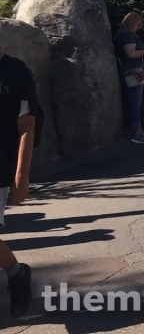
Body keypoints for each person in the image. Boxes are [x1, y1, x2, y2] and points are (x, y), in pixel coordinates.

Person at [0, 44, 38, 317]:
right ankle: (16, 272)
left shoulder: (17, 72)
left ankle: (17, 274)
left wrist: (21, 176)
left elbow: (27, 126)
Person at [113, 12, 144, 145]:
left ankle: (137, 130)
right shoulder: (127, 35)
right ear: (132, 21)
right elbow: (131, 53)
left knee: (135, 101)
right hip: (132, 74)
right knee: (135, 102)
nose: (138, 26)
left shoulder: (124, 34)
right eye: (138, 23)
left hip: (132, 73)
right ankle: (137, 133)